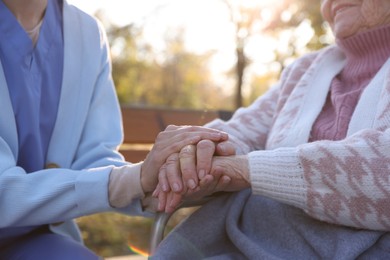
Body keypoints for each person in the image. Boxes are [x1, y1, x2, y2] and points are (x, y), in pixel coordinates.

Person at [152, 0, 390, 258]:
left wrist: (247, 169)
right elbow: (243, 130)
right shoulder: (305, 70)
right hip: (250, 238)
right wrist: (201, 151)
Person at [0, 0, 229, 259]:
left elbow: (94, 158)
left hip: (37, 241)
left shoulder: (86, 33)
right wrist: (127, 181)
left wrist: (157, 184)